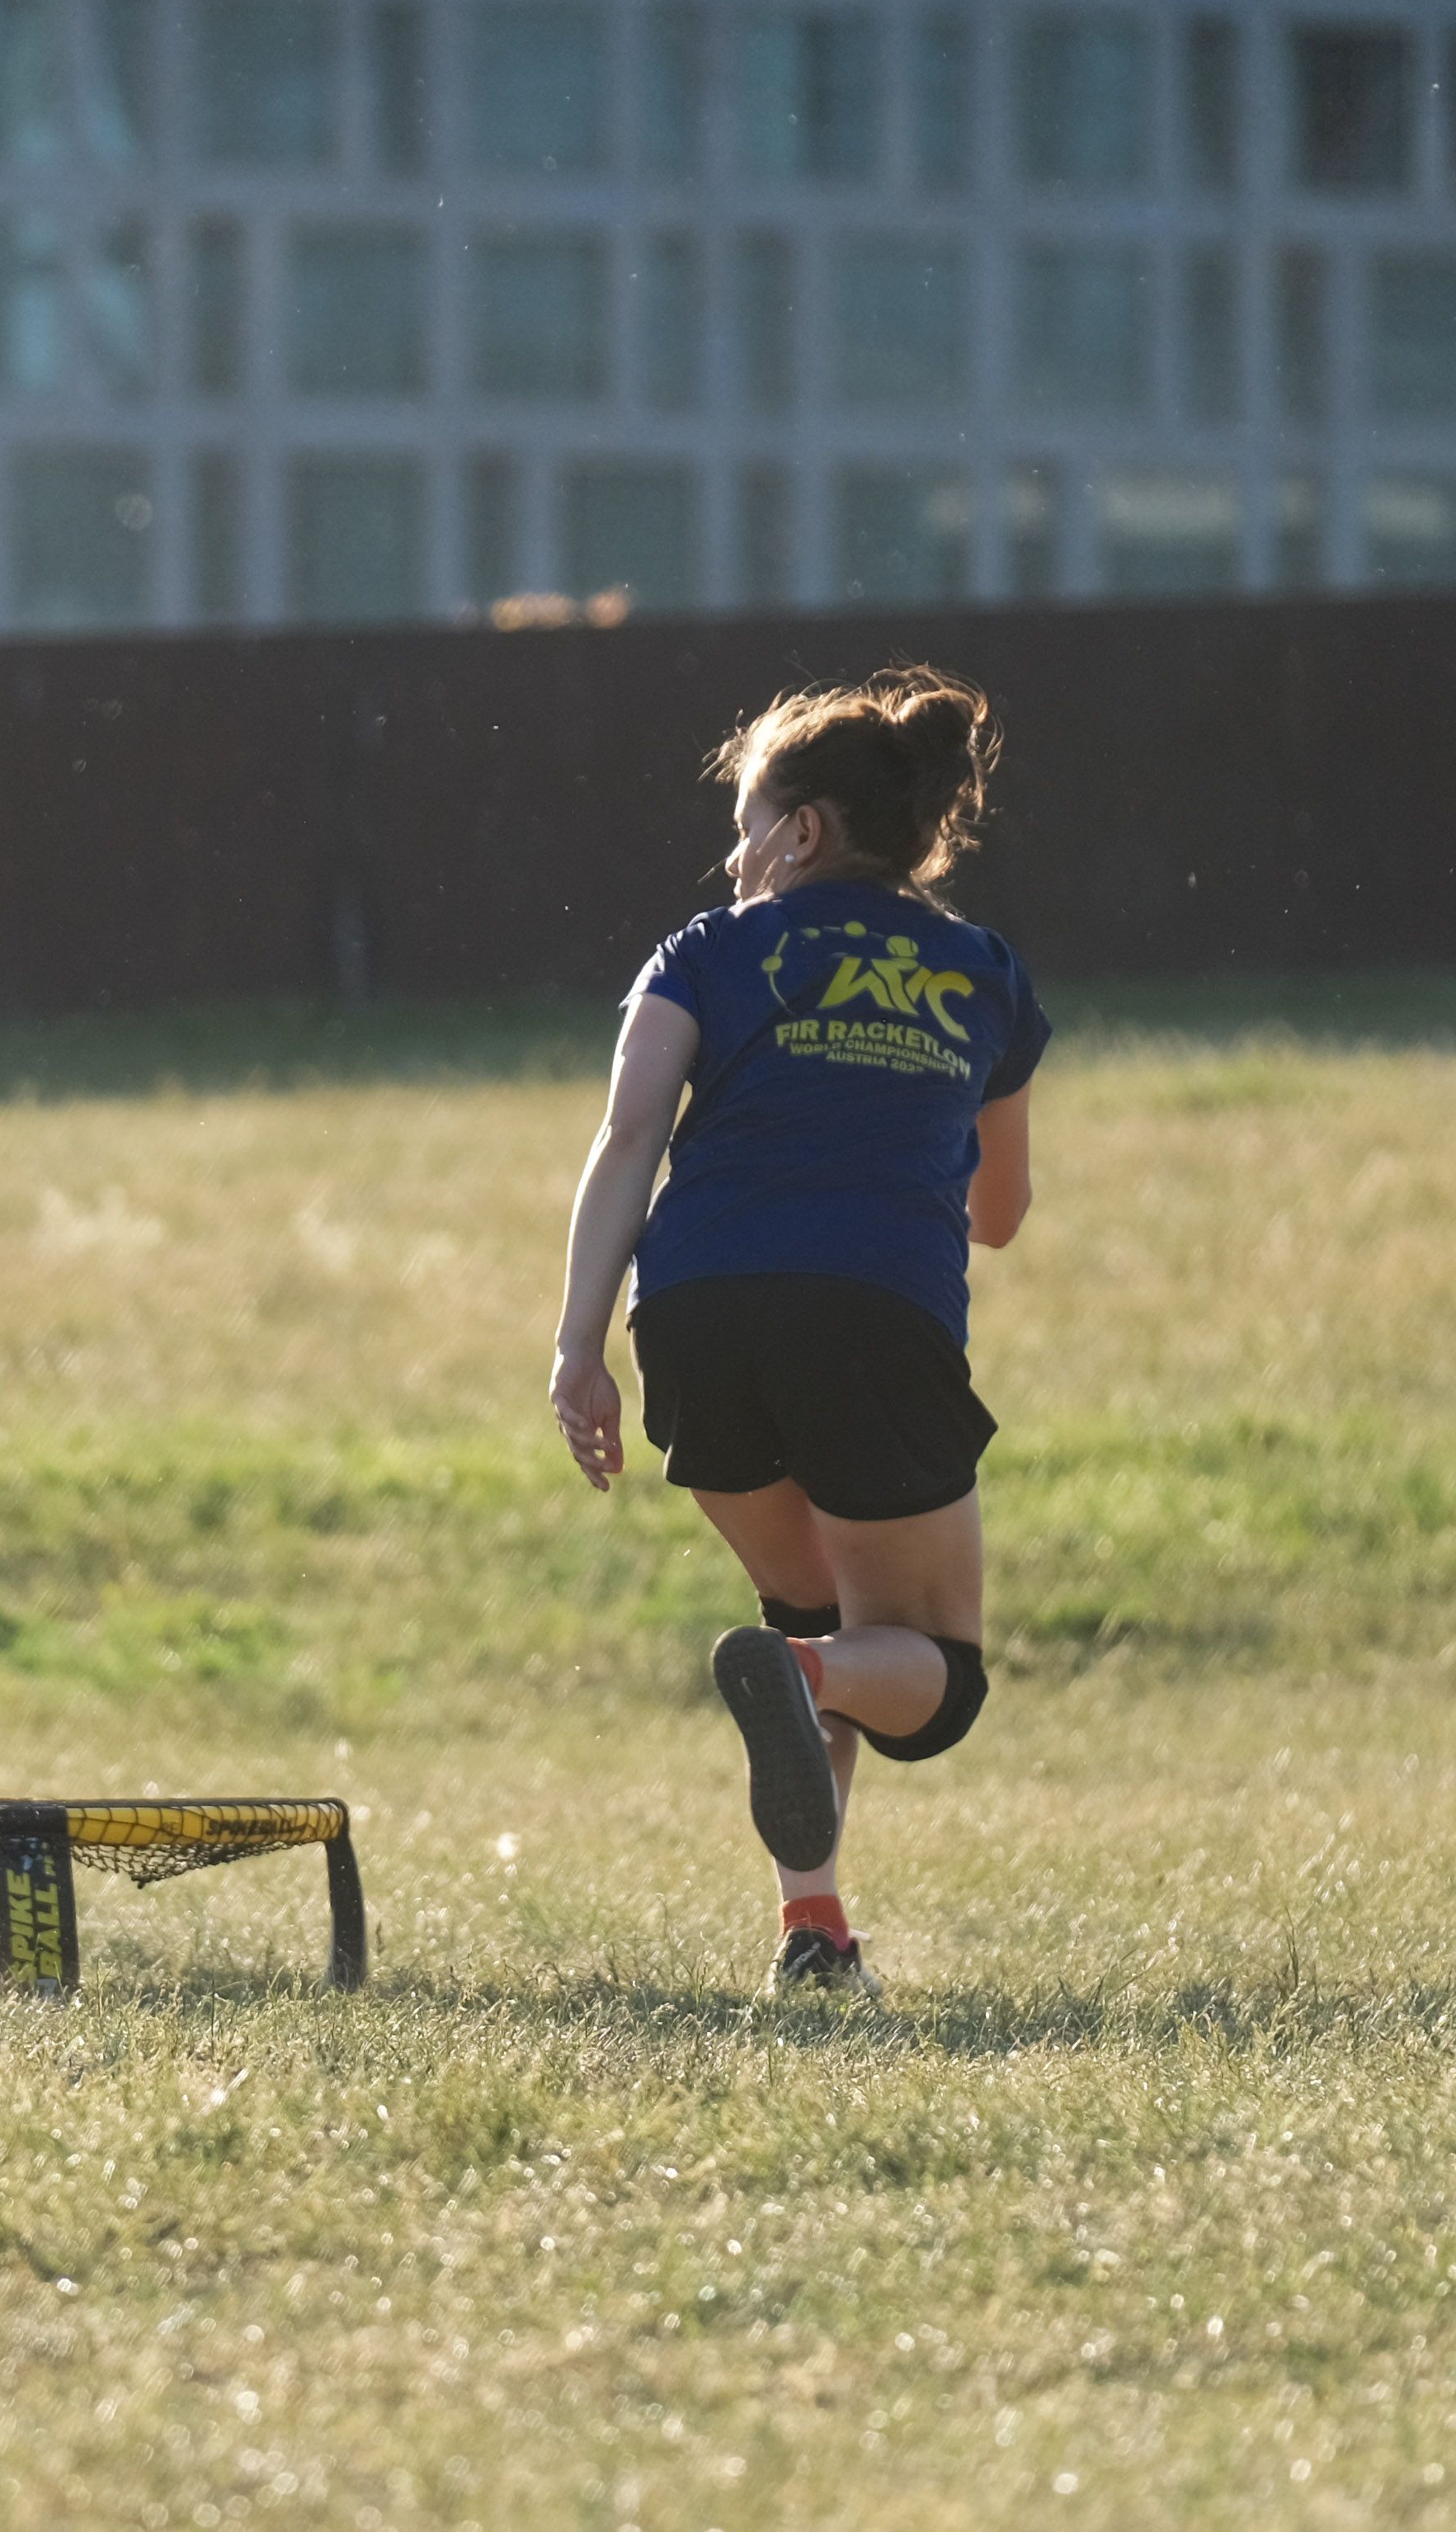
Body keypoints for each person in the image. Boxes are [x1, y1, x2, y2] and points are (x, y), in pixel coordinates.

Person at [550, 668, 1047, 1996]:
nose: (732, 850)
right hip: (871, 1307)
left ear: (805, 832)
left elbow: (627, 1141)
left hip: (693, 1313)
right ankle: (802, 1668)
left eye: (747, 817)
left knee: (807, 1613)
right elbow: (1000, 1213)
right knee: (928, 1670)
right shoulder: (981, 968)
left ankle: (814, 1934)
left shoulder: (705, 952)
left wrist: (575, 1346)